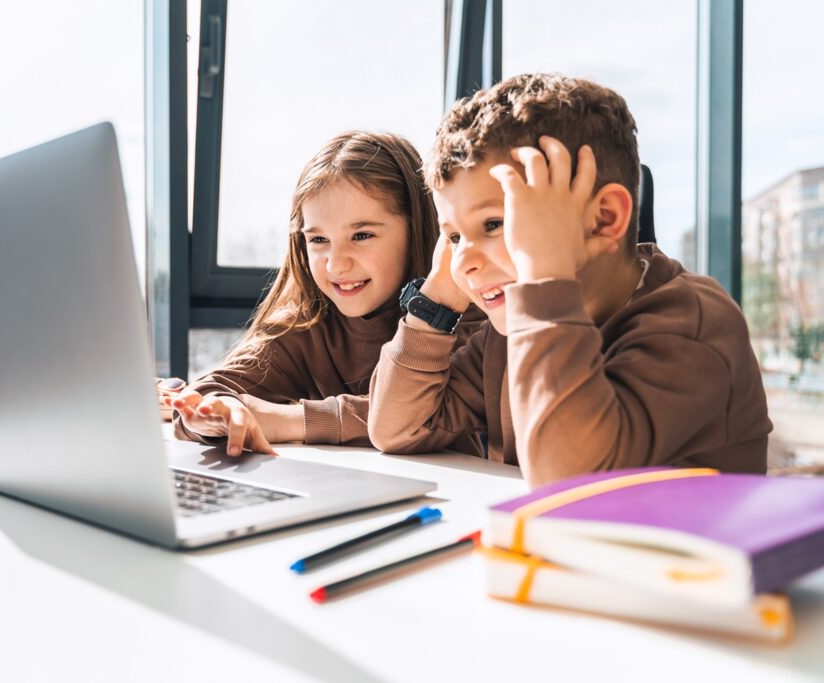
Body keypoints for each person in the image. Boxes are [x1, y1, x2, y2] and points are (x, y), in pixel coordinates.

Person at [367, 73, 772, 487]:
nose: (464, 261)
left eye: (494, 224)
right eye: (454, 237)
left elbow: (566, 481)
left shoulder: (691, 326)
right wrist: (438, 298)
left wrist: (544, 276)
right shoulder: (512, 332)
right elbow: (397, 428)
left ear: (605, 218)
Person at [170, 131, 483, 456]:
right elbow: (206, 395)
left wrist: (289, 421)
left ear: (418, 228)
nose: (337, 264)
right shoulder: (308, 325)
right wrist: (220, 412)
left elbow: (415, 413)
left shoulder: (462, 318)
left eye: (361, 235)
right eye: (318, 240)